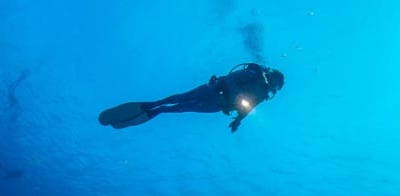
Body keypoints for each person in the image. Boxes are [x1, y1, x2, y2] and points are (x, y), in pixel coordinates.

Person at [99, 63, 284, 132]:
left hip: (216, 106)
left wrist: (238, 121)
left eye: (276, 87)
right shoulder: (253, 76)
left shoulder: (262, 95)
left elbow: (247, 109)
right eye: (275, 82)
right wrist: (237, 94)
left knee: (180, 108)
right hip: (212, 91)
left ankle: (156, 110)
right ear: (272, 76)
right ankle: (153, 105)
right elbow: (229, 78)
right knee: (180, 98)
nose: (273, 87)